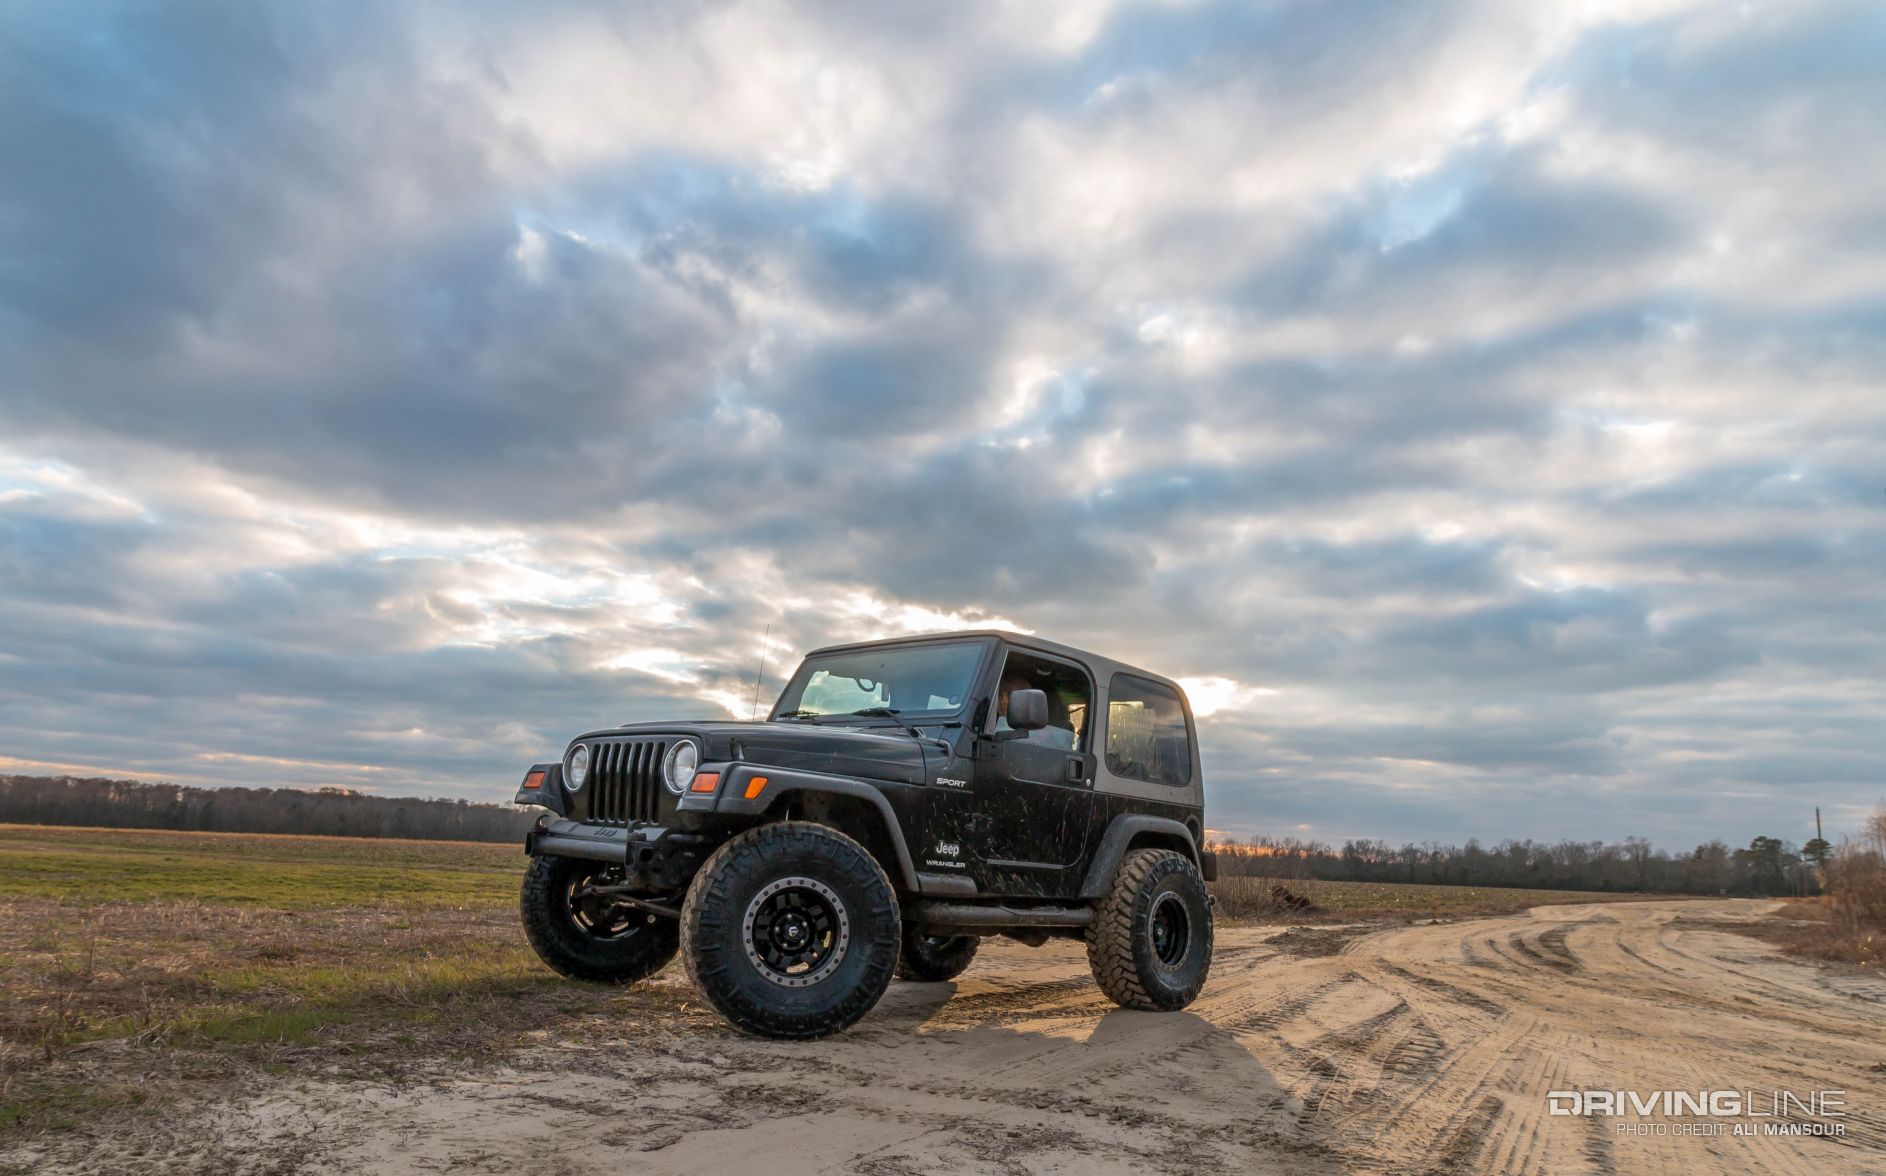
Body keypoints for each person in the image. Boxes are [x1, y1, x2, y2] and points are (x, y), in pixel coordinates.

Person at [994, 670, 1077, 750]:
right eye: (1000, 696)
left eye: (1010, 695)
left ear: (1027, 701)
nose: (1003, 701)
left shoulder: (1039, 735)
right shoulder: (988, 724)